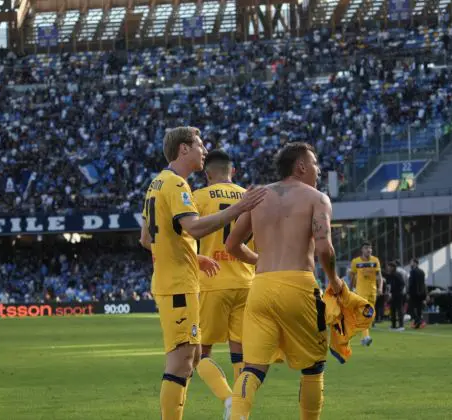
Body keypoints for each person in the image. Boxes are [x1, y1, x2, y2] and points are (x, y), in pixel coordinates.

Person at [139, 127, 267, 420]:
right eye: (199, 145)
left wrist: (194, 256)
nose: (204, 150)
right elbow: (194, 227)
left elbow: (147, 239)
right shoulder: (177, 185)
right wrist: (240, 206)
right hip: (179, 286)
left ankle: (230, 402)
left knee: (195, 355)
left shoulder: (156, 184)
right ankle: (232, 403)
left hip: (183, 281)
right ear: (184, 149)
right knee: (181, 362)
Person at [224, 142, 344, 420]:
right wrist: (335, 281)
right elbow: (325, 248)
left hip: (261, 286)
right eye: (314, 163)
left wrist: (261, 261)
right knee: (313, 367)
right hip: (299, 286)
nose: (318, 169)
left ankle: (238, 415)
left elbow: (231, 245)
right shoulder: (316, 198)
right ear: (301, 166)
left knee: (252, 368)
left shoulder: (258, 197)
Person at [192, 150, 257, 418]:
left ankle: (229, 398)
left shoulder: (198, 197)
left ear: (208, 174)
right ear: (234, 171)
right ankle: (241, 409)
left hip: (211, 281)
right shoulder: (250, 197)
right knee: (240, 349)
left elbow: (184, 235)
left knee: (200, 353)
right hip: (246, 281)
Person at [350, 241, 383, 346]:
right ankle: (366, 336)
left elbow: (379, 276)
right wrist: (350, 289)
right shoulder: (356, 262)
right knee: (365, 314)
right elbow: (352, 276)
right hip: (360, 292)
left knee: (371, 316)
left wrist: (380, 288)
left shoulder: (375, 260)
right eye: (366, 248)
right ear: (362, 250)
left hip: (372, 292)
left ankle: (363, 336)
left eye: (370, 248)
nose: (368, 250)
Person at [385, 262, 405, 331]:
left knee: (399, 310)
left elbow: (402, 284)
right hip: (392, 295)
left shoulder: (398, 274)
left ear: (393, 267)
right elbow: (388, 285)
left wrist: (398, 291)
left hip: (398, 294)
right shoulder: (389, 275)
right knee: (392, 310)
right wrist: (389, 293)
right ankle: (393, 325)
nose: (388, 268)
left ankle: (401, 325)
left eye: (390, 267)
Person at [408, 258, 427, 329]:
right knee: (419, 309)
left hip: (414, 293)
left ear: (415, 263)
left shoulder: (412, 271)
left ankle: (418, 320)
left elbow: (411, 283)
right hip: (421, 293)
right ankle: (417, 324)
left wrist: (408, 292)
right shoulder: (422, 271)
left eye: (411, 262)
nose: (410, 264)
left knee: (410, 308)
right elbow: (423, 283)